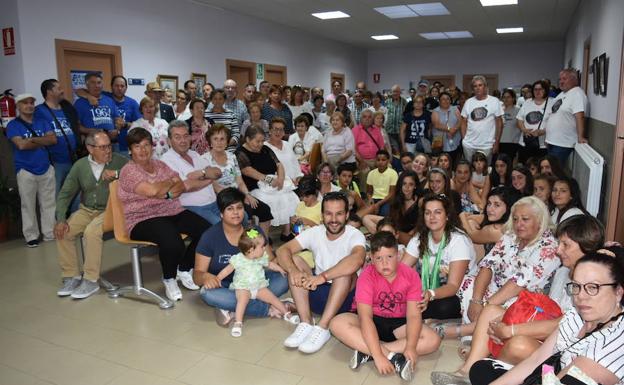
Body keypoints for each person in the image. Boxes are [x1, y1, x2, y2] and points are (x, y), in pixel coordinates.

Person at [435, 215, 606, 385]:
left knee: (518, 344)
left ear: (586, 246)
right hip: (546, 334)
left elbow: (563, 326)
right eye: (559, 243)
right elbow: (548, 311)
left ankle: (495, 368)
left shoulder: (591, 283)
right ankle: (465, 371)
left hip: (561, 350)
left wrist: (511, 330)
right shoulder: (563, 272)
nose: (558, 250)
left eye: (566, 245)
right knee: (491, 312)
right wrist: (509, 321)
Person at [469, 249, 624, 385]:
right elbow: (537, 360)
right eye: (576, 286)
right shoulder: (576, 316)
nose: (581, 296)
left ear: (618, 292)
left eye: (592, 287)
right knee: (482, 369)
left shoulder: (615, 341)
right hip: (553, 376)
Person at [443, 197, 559, 347]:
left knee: (507, 306)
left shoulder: (549, 247)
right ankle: (475, 331)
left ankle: (466, 331)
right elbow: (488, 264)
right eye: (515, 219)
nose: (519, 224)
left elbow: (518, 284)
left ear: (540, 221)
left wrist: (485, 306)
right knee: (468, 282)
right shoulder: (510, 236)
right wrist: (476, 300)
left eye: (525, 219)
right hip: (494, 291)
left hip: (522, 298)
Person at [330, 231, 441, 381]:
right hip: (371, 320)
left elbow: (414, 315)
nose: (385, 263)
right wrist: (379, 357)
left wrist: (411, 347)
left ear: (399, 255)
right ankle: (392, 357)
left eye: (389, 257)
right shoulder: (367, 275)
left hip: (398, 324)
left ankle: (366, 350)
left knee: (433, 340)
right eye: (379, 258)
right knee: (337, 323)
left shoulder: (410, 275)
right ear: (371, 259)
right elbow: (365, 317)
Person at [117, 127, 210, 301]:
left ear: (152, 147)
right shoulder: (128, 171)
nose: (143, 150)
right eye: (137, 146)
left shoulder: (159, 164)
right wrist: (168, 186)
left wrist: (165, 191)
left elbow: (181, 184)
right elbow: (151, 191)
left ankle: (184, 268)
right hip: (142, 218)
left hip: (172, 210)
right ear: (130, 150)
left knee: (207, 232)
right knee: (173, 242)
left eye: (146, 145)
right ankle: (169, 278)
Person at [277, 192, 367, 354]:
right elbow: (283, 249)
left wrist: (322, 277)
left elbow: (357, 260)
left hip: (343, 302)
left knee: (345, 270)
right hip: (316, 294)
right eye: (328, 213)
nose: (333, 219)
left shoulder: (355, 235)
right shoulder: (315, 232)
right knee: (295, 261)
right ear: (322, 215)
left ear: (347, 215)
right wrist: (293, 270)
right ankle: (305, 323)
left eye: (339, 214)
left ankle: (323, 328)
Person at [194, 188, 290, 324]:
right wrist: (205, 277)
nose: (236, 213)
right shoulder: (209, 237)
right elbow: (197, 276)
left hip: (256, 282)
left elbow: (271, 259)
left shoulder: (254, 231)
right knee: (207, 293)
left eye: (239, 207)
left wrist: (287, 263)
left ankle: (233, 308)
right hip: (227, 288)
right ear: (221, 213)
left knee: (284, 278)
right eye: (230, 209)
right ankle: (269, 307)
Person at [54, 131, 127, 298]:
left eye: (109, 145)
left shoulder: (120, 161)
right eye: (102, 147)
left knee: (91, 232)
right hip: (87, 210)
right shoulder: (80, 166)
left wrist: (117, 174)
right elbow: (65, 194)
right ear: (90, 148)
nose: (108, 151)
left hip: (111, 210)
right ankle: (71, 275)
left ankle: (90, 280)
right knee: (63, 231)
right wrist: (60, 219)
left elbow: (137, 175)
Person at [403, 194, 475, 321]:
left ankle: (409, 316)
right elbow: (401, 269)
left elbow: (453, 286)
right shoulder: (420, 238)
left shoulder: (458, 240)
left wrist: (430, 294)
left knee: (443, 307)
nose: (432, 217)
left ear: (447, 215)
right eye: (428, 213)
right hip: (426, 291)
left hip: (456, 293)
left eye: (437, 212)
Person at [216, 228, 299, 337]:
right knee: (242, 302)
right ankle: (238, 322)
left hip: (259, 286)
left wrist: (279, 269)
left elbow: (269, 264)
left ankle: (286, 313)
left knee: (272, 298)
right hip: (243, 287)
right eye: (262, 246)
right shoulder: (238, 259)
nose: (265, 248)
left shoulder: (260, 258)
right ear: (251, 250)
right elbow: (227, 270)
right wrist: (218, 278)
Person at [7, 93, 57, 247]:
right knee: (27, 204)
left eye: (31, 102)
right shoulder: (13, 125)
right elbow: (20, 145)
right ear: (18, 106)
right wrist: (42, 141)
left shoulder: (43, 121)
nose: (29, 105)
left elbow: (53, 140)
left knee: (49, 204)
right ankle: (31, 236)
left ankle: (50, 233)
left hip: (46, 168)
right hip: (25, 169)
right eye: (25, 103)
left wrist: (31, 140)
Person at [202, 123, 273, 229]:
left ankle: (263, 241)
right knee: (245, 215)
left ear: (227, 141)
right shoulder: (204, 159)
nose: (219, 142)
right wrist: (238, 198)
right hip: (221, 198)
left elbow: (239, 181)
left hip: (237, 194)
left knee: (265, 210)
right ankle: (247, 241)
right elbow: (215, 187)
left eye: (222, 139)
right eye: (215, 139)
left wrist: (247, 195)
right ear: (210, 142)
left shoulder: (232, 157)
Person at [236, 125, 299, 239]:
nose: (260, 144)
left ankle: (286, 232)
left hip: (274, 183)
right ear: (248, 139)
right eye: (257, 141)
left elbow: (279, 164)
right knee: (269, 200)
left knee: (289, 196)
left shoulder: (265, 149)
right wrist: (269, 180)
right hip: (254, 186)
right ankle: (263, 235)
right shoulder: (240, 152)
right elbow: (247, 170)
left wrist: (280, 179)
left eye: (262, 141)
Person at [161, 120, 223, 224]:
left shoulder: (194, 154)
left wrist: (200, 174)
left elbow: (217, 172)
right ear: (168, 141)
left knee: (243, 216)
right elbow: (186, 186)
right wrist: (208, 177)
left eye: (186, 136)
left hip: (214, 203)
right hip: (192, 208)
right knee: (222, 227)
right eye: (177, 137)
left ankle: (252, 238)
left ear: (190, 137)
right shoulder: (165, 160)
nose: (183, 140)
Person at [35, 79, 79, 202]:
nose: (62, 91)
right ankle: (58, 221)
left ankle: (74, 220)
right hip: (54, 162)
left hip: (72, 159)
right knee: (55, 197)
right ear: (49, 92)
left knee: (75, 195)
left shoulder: (66, 107)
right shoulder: (39, 111)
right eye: (58, 88)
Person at [459, 186, 520, 256]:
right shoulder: (514, 224)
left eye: (497, 205)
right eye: (489, 203)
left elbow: (472, 236)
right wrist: (471, 218)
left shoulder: (496, 229)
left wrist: (462, 215)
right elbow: (482, 217)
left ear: (509, 207)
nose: (490, 209)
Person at [545, 68, 588, 164]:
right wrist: (548, 138)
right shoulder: (561, 94)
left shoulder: (577, 93)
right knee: (549, 172)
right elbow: (554, 114)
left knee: (554, 172)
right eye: (560, 79)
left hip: (563, 143)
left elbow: (579, 116)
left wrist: (581, 137)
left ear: (574, 79)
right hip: (552, 141)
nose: (561, 82)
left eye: (564, 79)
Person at [364, 170, 419, 243]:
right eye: (404, 184)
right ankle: (384, 236)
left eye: (411, 184)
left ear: (415, 186)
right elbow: (393, 220)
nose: (407, 187)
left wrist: (408, 235)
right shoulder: (397, 199)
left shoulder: (420, 201)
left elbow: (420, 225)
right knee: (366, 218)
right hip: (395, 230)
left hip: (410, 236)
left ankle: (382, 236)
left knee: (389, 231)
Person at [461, 75, 504, 163]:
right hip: (469, 145)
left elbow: (499, 123)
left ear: (485, 86)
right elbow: (463, 121)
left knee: (485, 171)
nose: (477, 88)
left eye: (480, 85)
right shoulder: (468, 102)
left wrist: (497, 142)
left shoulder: (494, 101)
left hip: (487, 145)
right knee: (469, 170)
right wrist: (464, 139)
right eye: (475, 86)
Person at [74, 73, 121, 143]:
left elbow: (117, 119)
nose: (96, 86)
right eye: (93, 83)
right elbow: (76, 125)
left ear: (102, 85)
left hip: (111, 142)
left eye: (99, 83)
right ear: (87, 85)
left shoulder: (109, 100)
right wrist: (90, 131)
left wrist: (117, 130)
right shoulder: (79, 103)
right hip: (92, 142)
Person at [517, 80, 551, 163]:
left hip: (542, 145)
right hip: (526, 142)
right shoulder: (527, 102)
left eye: (540, 89)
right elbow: (519, 119)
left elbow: (556, 122)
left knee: (540, 168)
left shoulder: (552, 103)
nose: (538, 91)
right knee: (526, 168)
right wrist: (524, 129)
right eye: (535, 89)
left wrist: (543, 131)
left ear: (545, 90)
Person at [352, 109, 385, 192]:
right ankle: (365, 195)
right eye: (364, 117)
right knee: (365, 172)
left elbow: (381, 147)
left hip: (376, 159)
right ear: (361, 119)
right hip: (361, 160)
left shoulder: (376, 130)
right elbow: (353, 149)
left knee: (388, 168)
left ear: (373, 119)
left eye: (369, 117)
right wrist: (361, 161)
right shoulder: (355, 130)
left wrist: (381, 160)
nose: (367, 119)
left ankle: (382, 192)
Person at [264, 117, 304, 185]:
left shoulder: (287, 144)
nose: (278, 132)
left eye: (281, 129)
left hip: (295, 184)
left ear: (284, 132)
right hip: (277, 185)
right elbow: (266, 172)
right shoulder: (264, 147)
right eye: (276, 129)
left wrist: (298, 178)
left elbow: (295, 164)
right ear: (270, 131)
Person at [366, 150, 398, 217]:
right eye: (378, 160)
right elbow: (369, 192)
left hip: (386, 200)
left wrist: (378, 204)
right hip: (374, 199)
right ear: (375, 160)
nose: (380, 162)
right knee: (366, 214)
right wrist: (370, 199)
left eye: (383, 160)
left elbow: (392, 194)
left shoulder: (393, 173)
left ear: (388, 161)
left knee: (384, 215)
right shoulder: (371, 173)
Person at [432, 92, 462, 163]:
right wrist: (449, 129)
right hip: (440, 141)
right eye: (443, 99)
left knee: (453, 160)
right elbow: (437, 124)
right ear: (439, 101)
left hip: (454, 138)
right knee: (441, 161)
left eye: (448, 99)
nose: (445, 101)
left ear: (450, 100)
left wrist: (454, 130)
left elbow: (460, 121)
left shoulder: (455, 109)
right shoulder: (435, 111)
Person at [499, 89, 521, 161]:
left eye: (508, 97)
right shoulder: (499, 109)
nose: (506, 99)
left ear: (513, 98)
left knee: (509, 164)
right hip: (499, 141)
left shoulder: (519, 110)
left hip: (512, 142)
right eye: (504, 97)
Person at [385, 85, 408, 153]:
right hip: (389, 131)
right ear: (391, 92)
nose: (395, 93)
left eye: (397, 91)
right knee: (394, 150)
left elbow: (407, 116)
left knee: (402, 150)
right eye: (393, 91)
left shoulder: (404, 102)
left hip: (400, 131)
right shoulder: (387, 102)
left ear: (400, 92)